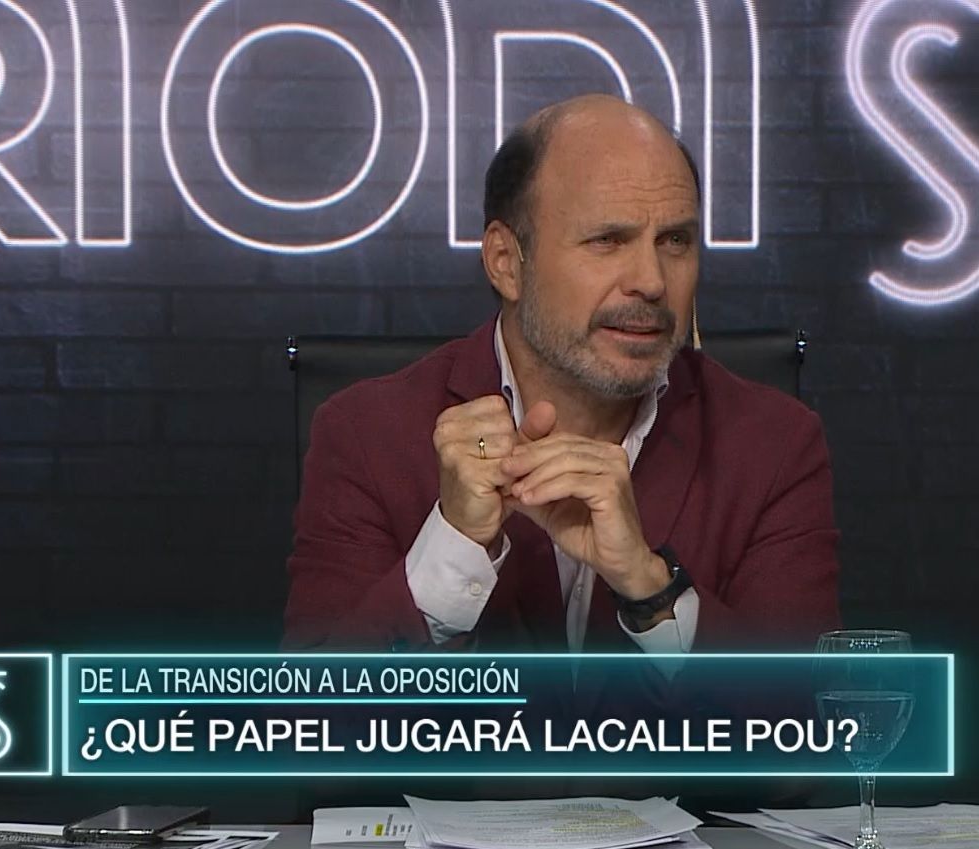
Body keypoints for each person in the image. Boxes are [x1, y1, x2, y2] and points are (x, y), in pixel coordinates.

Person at [283, 94, 840, 662]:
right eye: (607, 241)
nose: (651, 281)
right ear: (506, 262)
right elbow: (311, 712)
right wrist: (454, 545)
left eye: (675, 241)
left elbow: (804, 710)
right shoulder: (367, 435)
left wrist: (650, 587)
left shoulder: (774, 445)